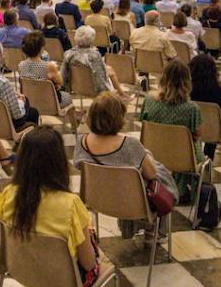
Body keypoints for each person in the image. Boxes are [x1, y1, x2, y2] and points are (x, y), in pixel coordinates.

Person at [0, 128, 114, 287]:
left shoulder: (8, 194)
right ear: (59, 162)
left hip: (24, 270)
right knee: (93, 251)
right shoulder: (71, 205)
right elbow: (88, 263)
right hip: (67, 284)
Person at [74, 92, 175, 239]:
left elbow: (79, 167)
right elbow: (151, 175)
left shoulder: (82, 142)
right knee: (159, 175)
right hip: (133, 203)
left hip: (97, 199)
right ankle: (152, 232)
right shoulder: (131, 145)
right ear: (119, 118)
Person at [139, 60, 203, 203]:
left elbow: (143, 123)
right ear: (187, 81)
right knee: (193, 146)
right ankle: (183, 189)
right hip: (182, 156)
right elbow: (197, 134)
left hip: (153, 150)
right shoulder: (192, 108)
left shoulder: (149, 99)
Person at [62, 25, 125, 96]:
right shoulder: (94, 56)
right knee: (108, 71)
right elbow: (100, 79)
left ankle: (122, 94)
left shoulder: (68, 54)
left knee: (109, 69)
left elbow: (64, 75)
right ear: (91, 39)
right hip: (94, 89)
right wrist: (108, 93)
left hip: (76, 87)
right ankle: (122, 95)